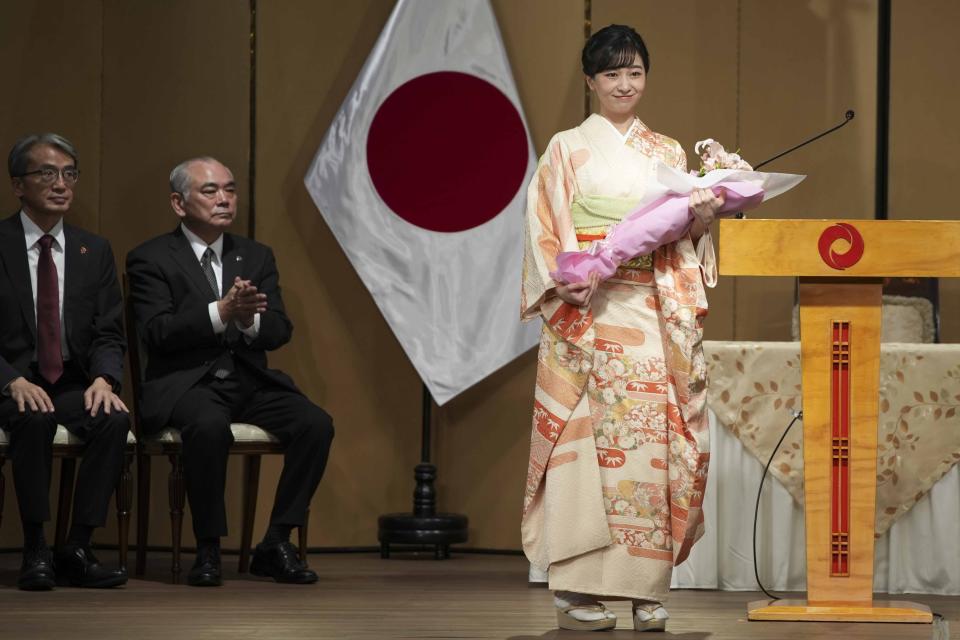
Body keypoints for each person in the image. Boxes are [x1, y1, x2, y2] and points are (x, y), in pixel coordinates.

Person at [520, 25, 723, 632]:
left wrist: (702, 218)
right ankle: (577, 590)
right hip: (585, 312)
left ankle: (643, 589)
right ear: (590, 81)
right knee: (581, 448)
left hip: (648, 311)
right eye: (612, 74)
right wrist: (567, 277)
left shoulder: (667, 151)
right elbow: (542, 226)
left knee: (650, 447)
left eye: (634, 72)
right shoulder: (564, 148)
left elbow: (680, 238)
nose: (624, 84)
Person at [126, 157, 334, 587]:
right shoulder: (150, 258)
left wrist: (246, 319)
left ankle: (275, 542)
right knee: (208, 426)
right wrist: (219, 312)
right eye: (209, 190)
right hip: (187, 383)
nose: (224, 198)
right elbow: (157, 332)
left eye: (230, 189)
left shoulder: (255, 255)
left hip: (248, 381)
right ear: (178, 203)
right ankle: (208, 548)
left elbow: (279, 329)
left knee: (315, 424)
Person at [0, 133, 130, 590]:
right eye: (47, 173)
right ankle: (36, 546)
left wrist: (104, 378)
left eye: (69, 173)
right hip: (13, 383)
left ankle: (76, 546)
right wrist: (10, 379)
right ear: (18, 184)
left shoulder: (92, 250)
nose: (61, 184)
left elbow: (110, 331)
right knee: (32, 417)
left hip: (72, 381)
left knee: (113, 419)